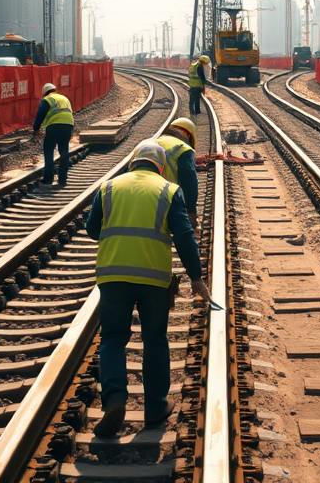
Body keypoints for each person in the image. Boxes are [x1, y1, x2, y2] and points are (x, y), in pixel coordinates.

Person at [85, 139, 211, 438]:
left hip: (113, 275)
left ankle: (115, 399)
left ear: (133, 161)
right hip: (154, 279)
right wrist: (196, 277)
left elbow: (92, 229)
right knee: (155, 339)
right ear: (161, 166)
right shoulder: (169, 190)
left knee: (113, 338)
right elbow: (185, 236)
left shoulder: (109, 187)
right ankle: (155, 406)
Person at [156, 117, 199, 228]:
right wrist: (191, 212)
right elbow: (189, 182)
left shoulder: (153, 141)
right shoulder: (183, 149)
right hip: (167, 199)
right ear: (188, 135)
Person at [32, 83, 74, 187]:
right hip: (68, 125)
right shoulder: (64, 98)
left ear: (45, 92)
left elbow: (40, 114)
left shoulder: (48, 99)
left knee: (49, 150)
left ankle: (48, 179)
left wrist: (36, 128)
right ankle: (62, 179)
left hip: (54, 126)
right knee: (64, 151)